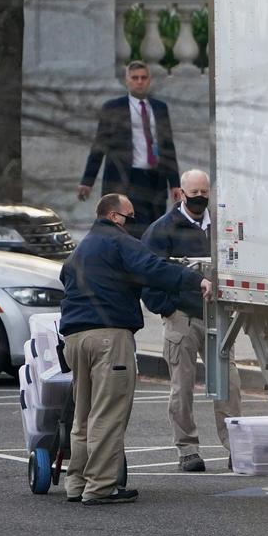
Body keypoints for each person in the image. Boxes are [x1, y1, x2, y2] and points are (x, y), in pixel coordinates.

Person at [59, 193, 212, 505]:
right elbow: (152, 267)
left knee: (83, 414)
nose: (130, 224)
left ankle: (75, 483)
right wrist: (193, 280)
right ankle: (101, 487)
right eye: (128, 217)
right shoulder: (118, 241)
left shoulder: (83, 247)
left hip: (75, 339)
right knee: (108, 414)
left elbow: (65, 276)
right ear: (115, 216)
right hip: (109, 338)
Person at [142, 168, 241, 472]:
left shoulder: (221, 226)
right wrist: (167, 309)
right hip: (182, 318)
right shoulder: (162, 230)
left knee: (230, 386)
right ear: (181, 193)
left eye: (204, 193)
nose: (199, 199)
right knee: (182, 388)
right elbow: (146, 274)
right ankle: (187, 450)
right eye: (194, 193)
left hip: (218, 318)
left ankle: (236, 448)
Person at [77, 61, 182, 238]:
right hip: (126, 178)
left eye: (143, 78)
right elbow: (99, 145)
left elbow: (168, 147)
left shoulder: (159, 108)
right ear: (127, 81)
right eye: (135, 78)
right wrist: (87, 181)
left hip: (155, 178)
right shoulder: (113, 108)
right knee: (129, 229)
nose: (139, 82)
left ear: (149, 80)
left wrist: (175, 183)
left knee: (154, 229)